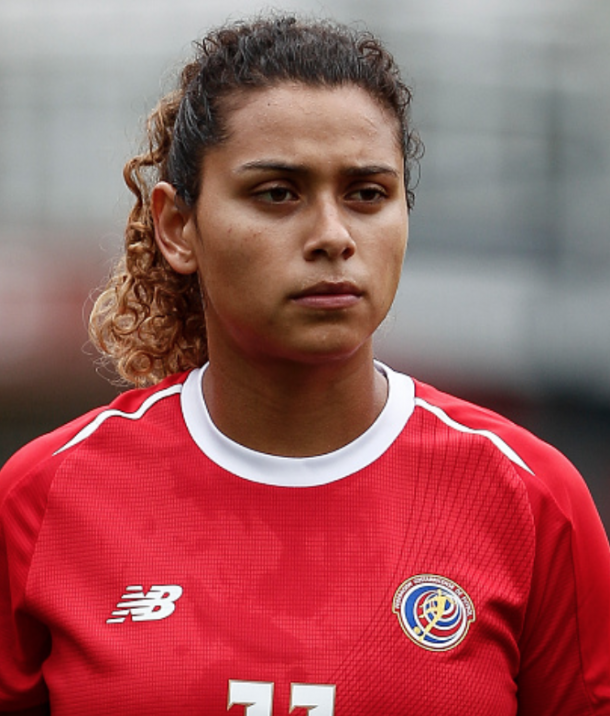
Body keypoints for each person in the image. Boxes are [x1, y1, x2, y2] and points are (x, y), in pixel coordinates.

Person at [0, 13, 609, 716]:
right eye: (278, 193)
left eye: (367, 194)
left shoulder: (531, 501)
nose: (332, 236)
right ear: (176, 228)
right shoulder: (44, 501)